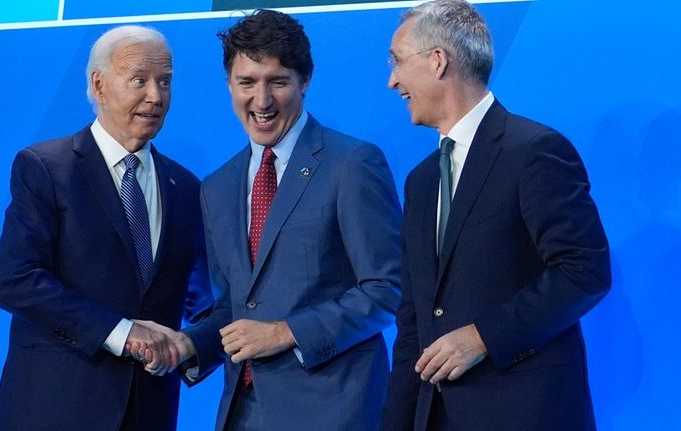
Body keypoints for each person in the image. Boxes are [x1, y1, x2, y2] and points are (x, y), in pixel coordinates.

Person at [161, 9, 401, 431]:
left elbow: (386, 289)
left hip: (334, 410)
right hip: (243, 411)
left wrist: (287, 332)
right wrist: (188, 343)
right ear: (229, 85)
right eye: (247, 82)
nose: (262, 100)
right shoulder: (217, 187)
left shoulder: (352, 164)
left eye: (277, 81)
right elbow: (233, 309)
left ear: (304, 81)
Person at [381, 1, 611, 430]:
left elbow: (585, 270)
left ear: (437, 61)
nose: (392, 80)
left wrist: (483, 336)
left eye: (396, 62)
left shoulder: (534, 151)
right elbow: (413, 321)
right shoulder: (420, 181)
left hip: (524, 412)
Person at [0, 25, 213, 431]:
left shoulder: (187, 188)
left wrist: (196, 345)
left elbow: (206, 300)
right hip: (54, 409)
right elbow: (17, 280)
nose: (156, 96)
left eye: (165, 82)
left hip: (148, 412)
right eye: (140, 80)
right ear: (99, 84)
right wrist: (122, 333)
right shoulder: (46, 168)